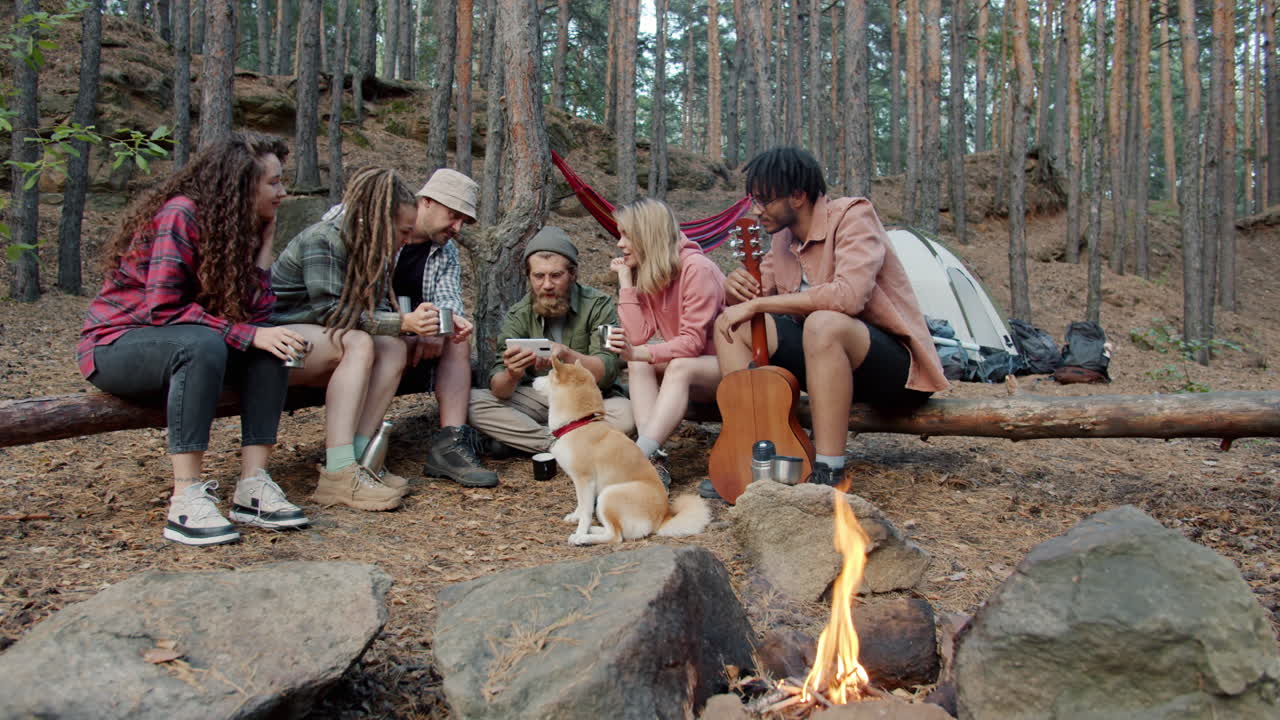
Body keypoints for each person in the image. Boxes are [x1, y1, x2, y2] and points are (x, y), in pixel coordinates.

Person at [77, 132, 309, 546]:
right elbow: (163, 309)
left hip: (186, 343)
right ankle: (185, 498)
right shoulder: (181, 214)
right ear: (240, 184)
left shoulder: (235, 227)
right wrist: (247, 334)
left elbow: (258, 317)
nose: (282, 191)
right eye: (273, 182)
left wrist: (265, 247)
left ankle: (252, 486)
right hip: (116, 345)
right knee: (202, 343)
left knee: (275, 345)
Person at [712, 147, 949, 494]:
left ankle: (828, 471)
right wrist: (736, 291)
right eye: (754, 200)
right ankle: (756, 454)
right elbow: (757, 299)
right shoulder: (781, 240)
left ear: (798, 195)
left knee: (823, 322)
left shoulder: (854, 216)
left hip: (891, 370)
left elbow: (849, 296)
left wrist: (760, 302)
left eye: (765, 201)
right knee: (731, 327)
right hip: (823, 363)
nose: (756, 211)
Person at [271, 167, 456, 510]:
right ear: (377, 219)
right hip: (281, 343)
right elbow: (331, 314)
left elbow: (379, 314)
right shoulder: (323, 239)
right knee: (358, 342)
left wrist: (416, 324)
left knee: (392, 347)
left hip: (319, 341)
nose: (405, 239)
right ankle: (338, 473)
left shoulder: (374, 250)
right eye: (402, 231)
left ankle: (359, 459)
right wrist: (403, 321)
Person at [468, 227, 635, 455]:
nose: (546, 285)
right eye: (538, 276)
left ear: (573, 274)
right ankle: (560, 443)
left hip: (590, 398)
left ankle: (525, 441)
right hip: (539, 397)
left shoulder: (598, 305)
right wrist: (512, 375)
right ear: (529, 277)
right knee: (472, 402)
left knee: (626, 414)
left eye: (556, 276)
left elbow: (606, 372)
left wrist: (566, 354)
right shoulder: (519, 314)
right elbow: (499, 389)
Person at [394, 169, 499, 489]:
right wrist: (406, 323)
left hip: (418, 341)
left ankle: (450, 445)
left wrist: (442, 324)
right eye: (452, 216)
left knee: (457, 340)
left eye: (463, 222)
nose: (457, 229)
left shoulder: (446, 251)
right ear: (426, 202)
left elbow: (449, 302)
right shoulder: (383, 231)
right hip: (376, 332)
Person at [609, 198, 725, 486]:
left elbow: (693, 343)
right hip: (689, 367)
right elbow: (637, 337)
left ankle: (639, 455)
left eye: (627, 235)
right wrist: (626, 283)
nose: (620, 244)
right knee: (639, 364)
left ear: (648, 235)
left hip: (725, 369)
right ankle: (655, 460)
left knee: (678, 366)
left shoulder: (697, 269)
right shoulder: (653, 272)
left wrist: (642, 351)